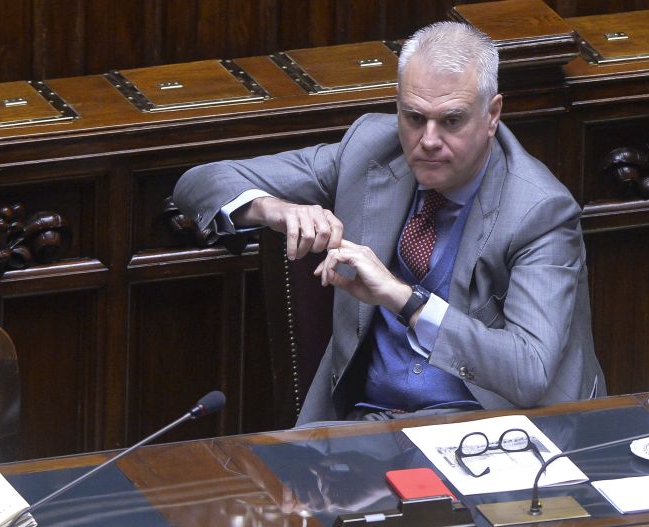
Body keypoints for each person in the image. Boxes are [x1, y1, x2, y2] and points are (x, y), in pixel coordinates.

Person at [174, 21, 605, 426]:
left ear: (492, 114)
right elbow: (198, 183)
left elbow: (529, 371)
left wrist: (404, 300)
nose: (428, 140)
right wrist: (275, 209)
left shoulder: (539, 210)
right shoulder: (370, 151)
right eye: (414, 117)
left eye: (451, 120)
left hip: (486, 429)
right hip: (365, 425)